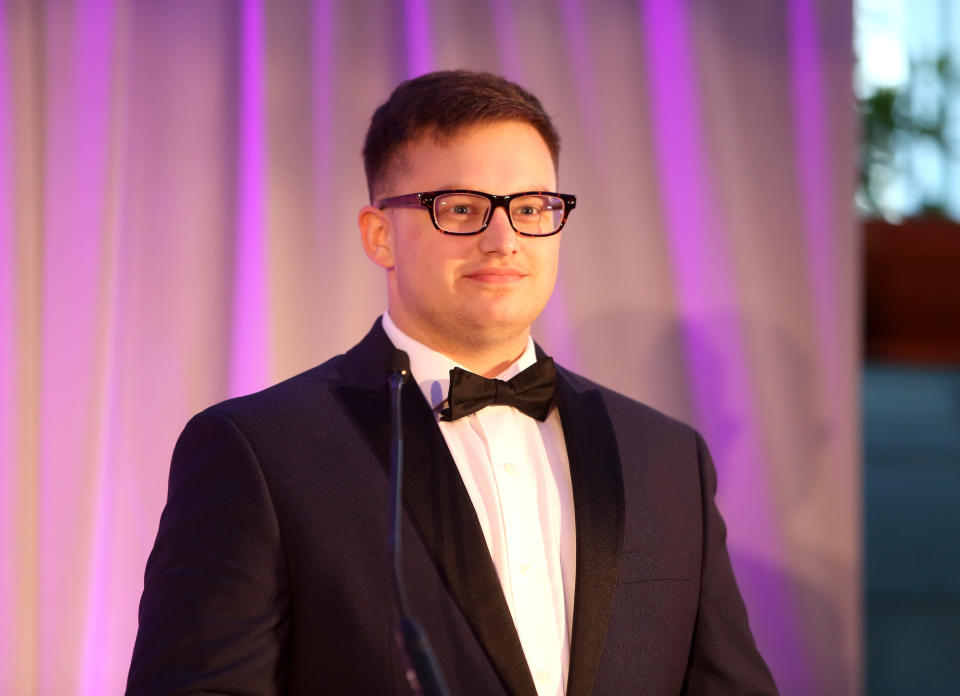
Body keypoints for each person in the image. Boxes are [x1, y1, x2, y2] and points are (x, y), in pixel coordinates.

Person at [127, 70, 777, 696]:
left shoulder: (665, 458)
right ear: (380, 235)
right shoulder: (261, 452)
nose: (504, 239)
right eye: (461, 208)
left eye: (531, 207)